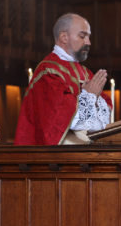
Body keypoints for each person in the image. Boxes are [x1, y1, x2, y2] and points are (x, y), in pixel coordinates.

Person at [14, 13, 112, 145]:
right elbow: (58, 119)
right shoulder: (48, 71)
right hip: (53, 158)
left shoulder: (85, 73)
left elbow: (103, 113)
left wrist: (94, 101)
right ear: (64, 37)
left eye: (89, 37)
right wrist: (89, 96)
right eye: (82, 36)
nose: (88, 42)